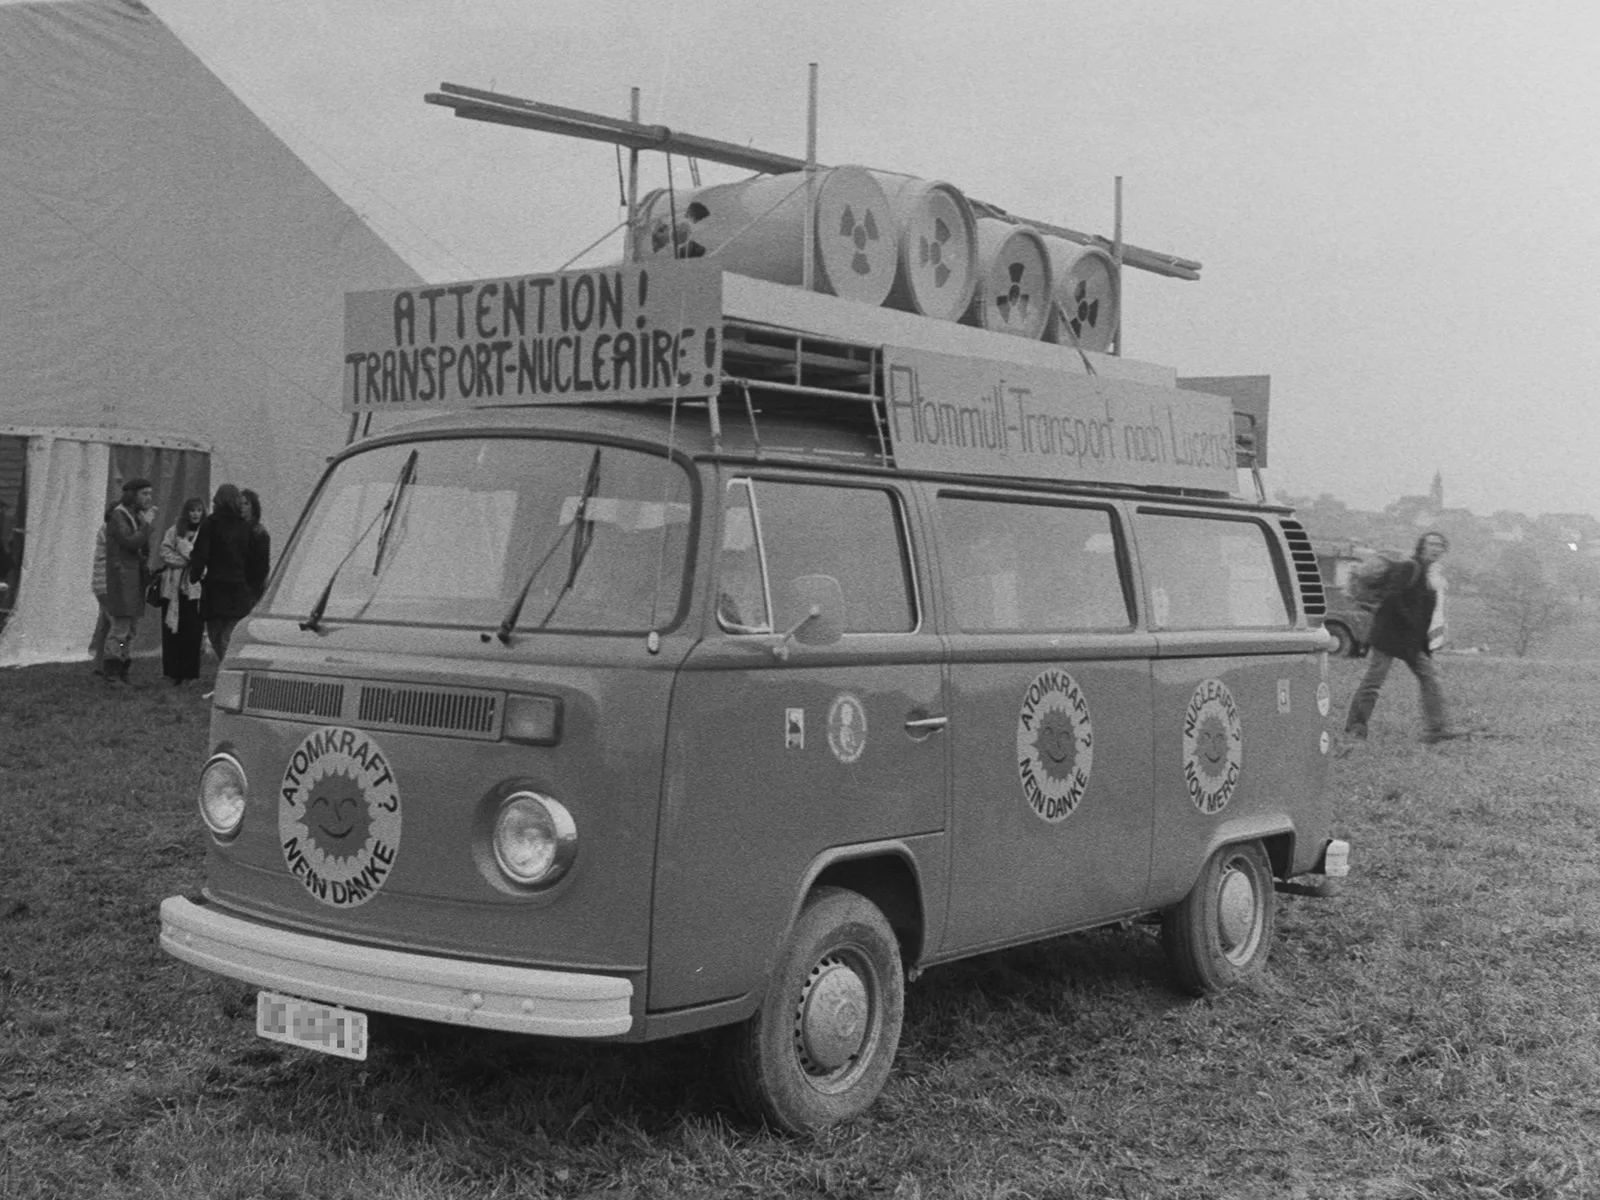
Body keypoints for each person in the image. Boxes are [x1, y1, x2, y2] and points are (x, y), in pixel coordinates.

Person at [1342, 531, 1461, 746]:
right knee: (1373, 683)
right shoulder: (1410, 567)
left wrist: (1423, 641)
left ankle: (1437, 729)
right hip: (1388, 636)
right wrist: (1410, 622)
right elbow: (1392, 597)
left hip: (1411, 641)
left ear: (1444, 550)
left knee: (1430, 679)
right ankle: (1355, 728)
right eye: (1431, 544)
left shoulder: (1431, 575)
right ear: (1421, 546)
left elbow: (1425, 612)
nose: (1435, 548)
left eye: (1439, 545)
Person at [190, 483, 265, 665]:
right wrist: (252, 586)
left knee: (217, 635)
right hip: (238, 588)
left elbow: (201, 553)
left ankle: (227, 670)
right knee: (227, 635)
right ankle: (229, 668)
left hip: (216, 587)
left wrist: (195, 574)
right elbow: (254, 561)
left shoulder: (211, 524)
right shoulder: (245, 527)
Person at [102, 478, 157, 683]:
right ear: (132, 495)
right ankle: (112, 672)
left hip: (133, 580)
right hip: (122, 579)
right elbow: (130, 543)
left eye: (150, 494)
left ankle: (123, 668)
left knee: (130, 630)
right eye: (144, 494)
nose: (148, 498)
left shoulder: (133, 515)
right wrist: (147, 526)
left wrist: (144, 525)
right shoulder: (118, 515)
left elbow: (142, 548)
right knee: (120, 629)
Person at [157, 498, 207, 684]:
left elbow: (205, 557)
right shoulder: (174, 531)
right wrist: (185, 561)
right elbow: (164, 552)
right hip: (174, 588)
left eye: (199, 510)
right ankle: (173, 671)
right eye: (192, 510)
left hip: (194, 588)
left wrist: (190, 557)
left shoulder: (206, 532)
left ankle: (190, 672)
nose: (195, 514)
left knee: (192, 631)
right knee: (172, 631)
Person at [88, 509, 112, 672]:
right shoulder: (110, 529)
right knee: (117, 626)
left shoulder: (104, 529)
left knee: (104, 625)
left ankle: (99, 662)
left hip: (100, 584)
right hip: (108, 583)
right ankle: (114, 660)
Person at [240, 488, 271, 608]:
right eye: (240, 503)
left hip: (250, 591)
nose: (242, 507)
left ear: (253, 507)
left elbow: (262, 568)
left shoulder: (259, 533)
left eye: (246, 503)